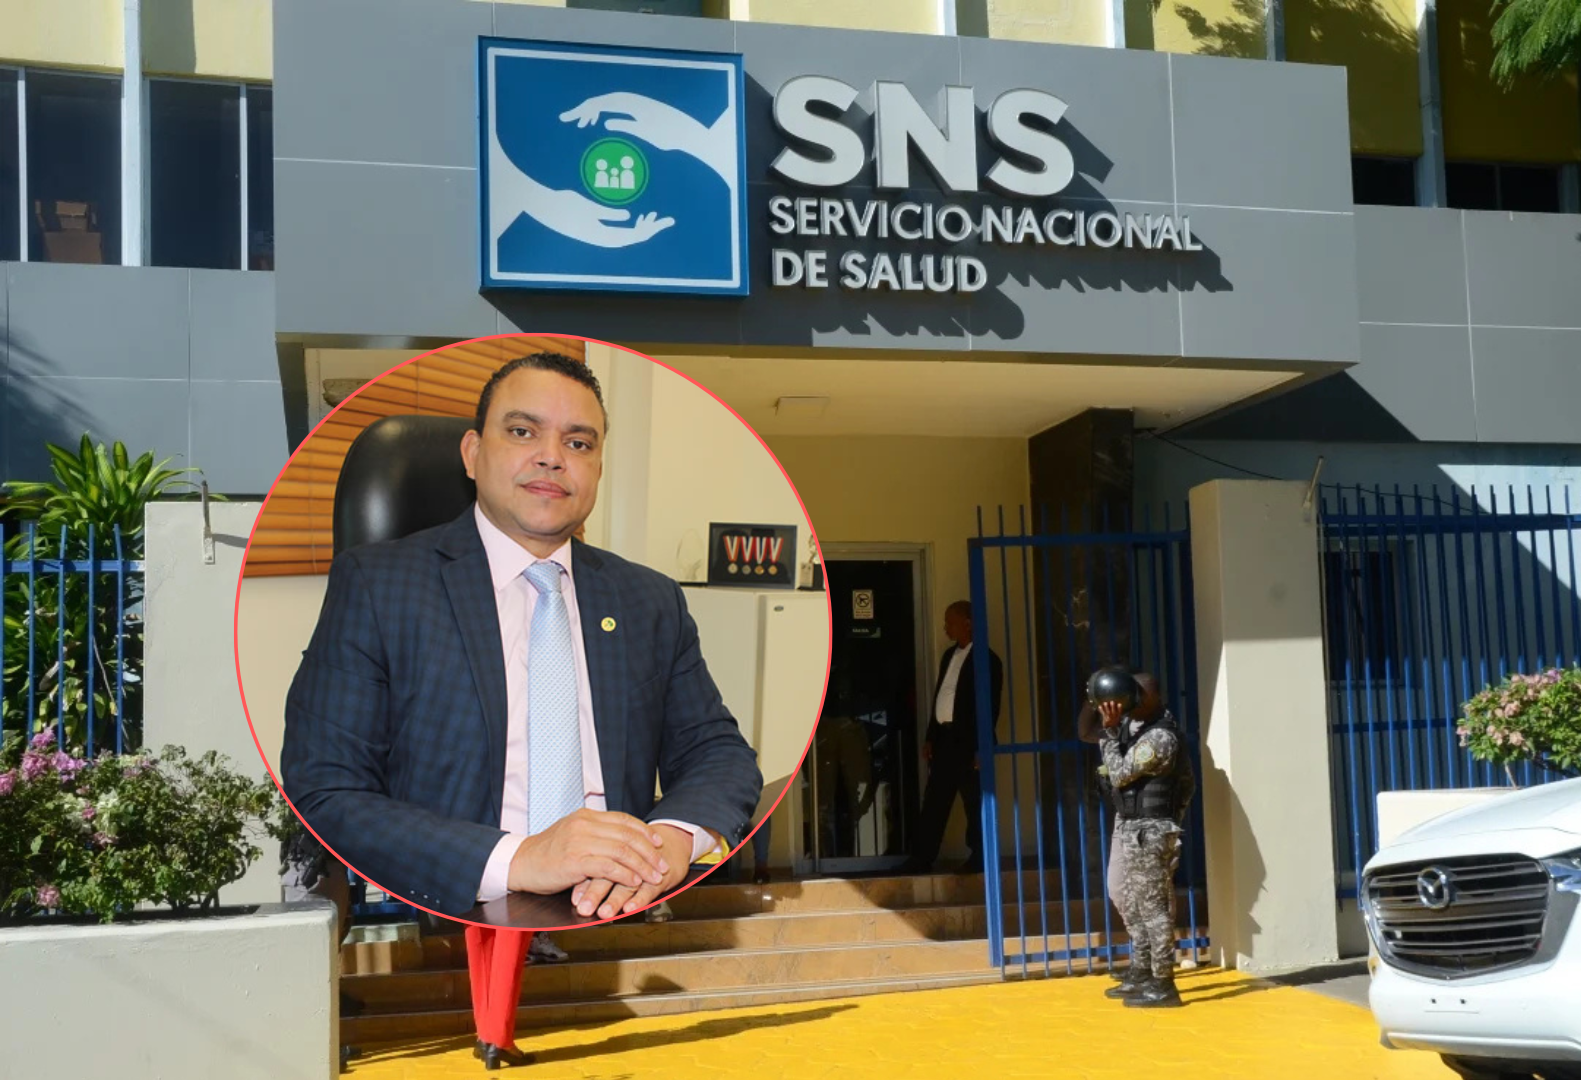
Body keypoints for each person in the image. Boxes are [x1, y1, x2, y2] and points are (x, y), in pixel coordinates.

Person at [280, 352, 763, 1068]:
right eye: (522, 431)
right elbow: (324, 784)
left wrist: (671, 840)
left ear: (597, 469)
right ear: (472, 454)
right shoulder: (379, 585)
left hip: (611, 898)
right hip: (459, 881)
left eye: (579, 442)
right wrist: (521, 857)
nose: (552, 457)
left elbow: (719, 754)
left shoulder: (649, 600)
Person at [1088, 666, 1196, 1009]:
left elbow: (1120, 774)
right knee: (1132, 901)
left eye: (1133, 697)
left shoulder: (1160, 737)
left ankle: (1163, 983)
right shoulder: (1137, 728)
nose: (1126, 704)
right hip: (1132, 826)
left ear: (1150, 697)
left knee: (1154, 909)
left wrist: (1109, 733)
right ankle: (1143, 970)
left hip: (1150, 831)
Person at [904, 601, 1003, 875]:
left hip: (969, 742)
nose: (946, 627)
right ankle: (921, 857)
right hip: (945, 740)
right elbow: (942, 696)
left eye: (950, 621)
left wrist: (982, 746)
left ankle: (980, 857)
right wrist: (930, 737)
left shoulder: (987, 659)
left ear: (967, 623)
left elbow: (990, 706)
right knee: (935, 800)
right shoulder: (950, 655)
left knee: (974, 801)